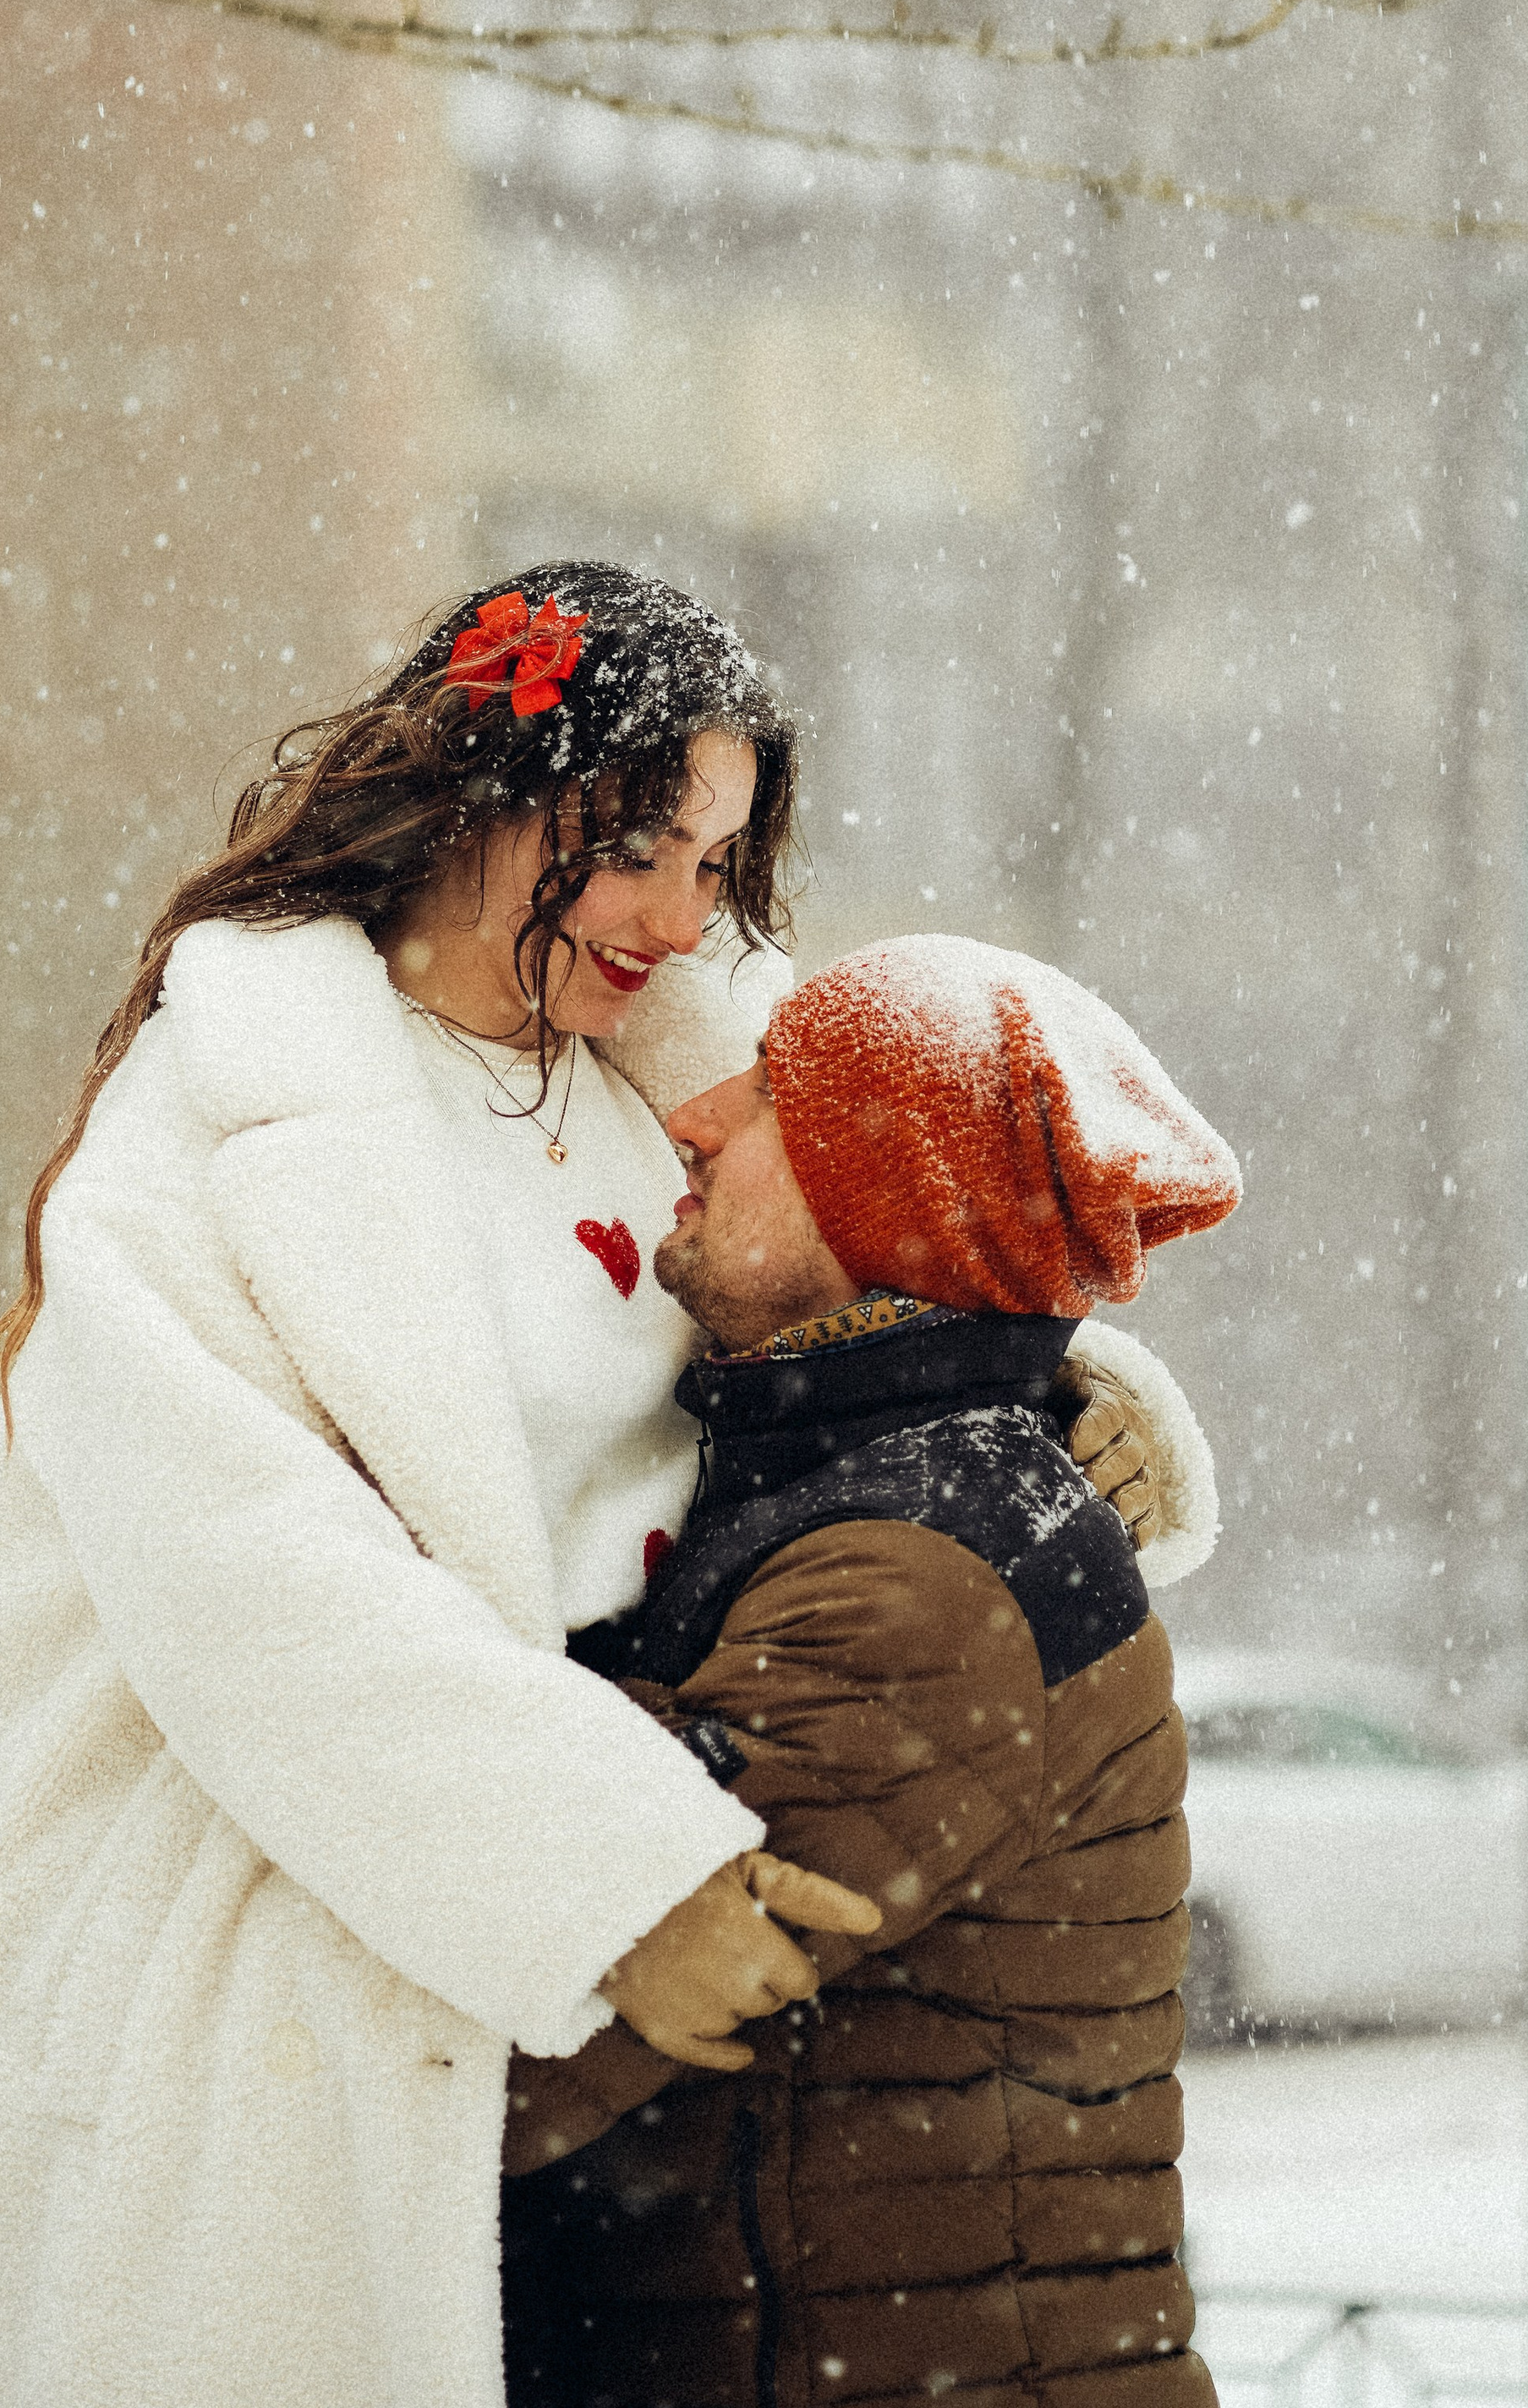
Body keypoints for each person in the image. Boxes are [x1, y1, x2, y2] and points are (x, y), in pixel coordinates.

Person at [0, 568, 1212, 2408]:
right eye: (636, 848)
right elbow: (258, 1597)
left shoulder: (652, 1068)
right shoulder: (204, 1149)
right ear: (481, 795)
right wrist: (602, 1873)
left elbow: (870, 1239)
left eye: (716, 863)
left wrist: (1043, 1388)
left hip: (490, 1950)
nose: (680, 919)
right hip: (238, 1951)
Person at [501, 935, 1240, 2408]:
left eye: (770, 1094)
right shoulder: (881, 1484)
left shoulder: (920, 1575)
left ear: (883, 1199)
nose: (697, 1116)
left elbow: (536, 2043)